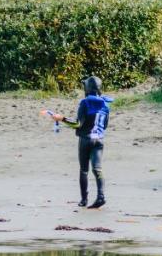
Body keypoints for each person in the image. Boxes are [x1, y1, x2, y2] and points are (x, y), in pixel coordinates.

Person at [41, 75, 112, 209]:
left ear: (87, 88)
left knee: (84, 170)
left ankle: (84, 199)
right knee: (97, 169)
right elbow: (105, 125)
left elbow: (77, 124)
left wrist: (61, 118)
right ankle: (101, 196)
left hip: (86, 140)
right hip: (99, 141)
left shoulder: (85, 103)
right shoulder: (105, 105)